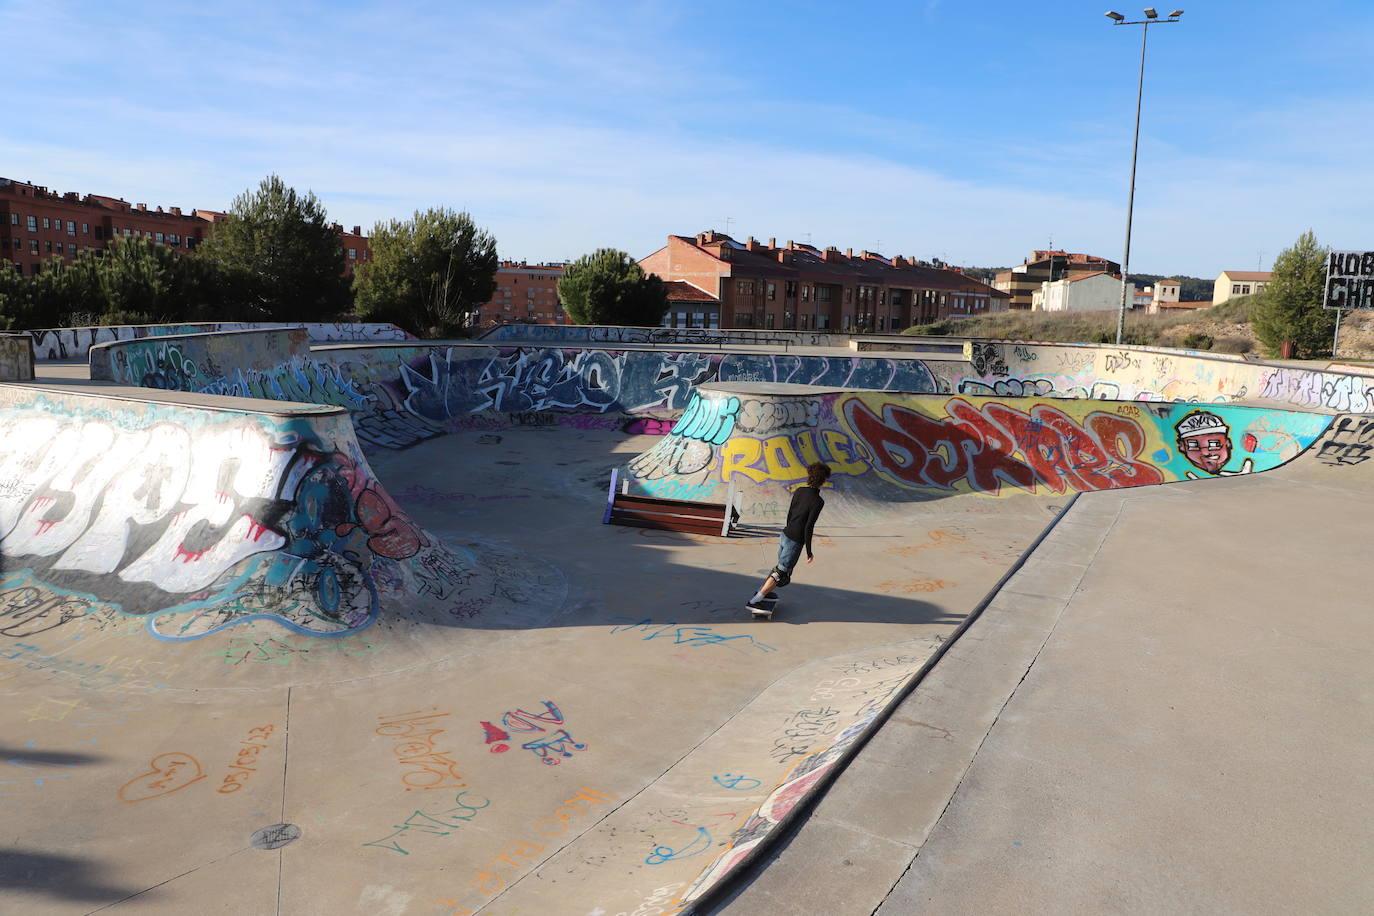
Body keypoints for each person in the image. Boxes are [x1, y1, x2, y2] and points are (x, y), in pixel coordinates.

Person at [748, 462, 831, 610]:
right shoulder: (818, 501)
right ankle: (755, 600)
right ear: (823, 480)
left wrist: (788, 529)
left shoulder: (799, 491)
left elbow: (790, 513)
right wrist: (809, 551)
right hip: (795, 540)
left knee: (779, 569)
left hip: (785, 534)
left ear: (810, 475)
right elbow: (809, 526)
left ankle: (763, 592)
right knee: (781, 573)